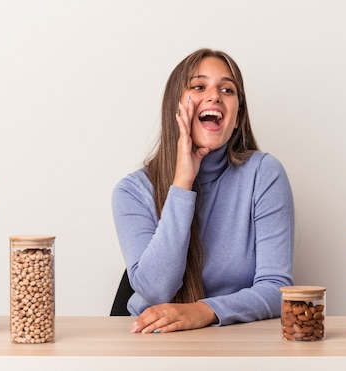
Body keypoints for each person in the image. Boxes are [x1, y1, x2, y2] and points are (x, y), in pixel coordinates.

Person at [112, 48, 295, 334]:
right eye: (199, 86)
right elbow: (156, 291)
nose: (214, 96)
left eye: (227, 89)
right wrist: (182, 182)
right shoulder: (132, 191)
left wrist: (204, 311)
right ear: (176, 109)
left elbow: (277, 287)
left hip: (237, 342)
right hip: (151, 342)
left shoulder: (264, 174)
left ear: (236, 118)